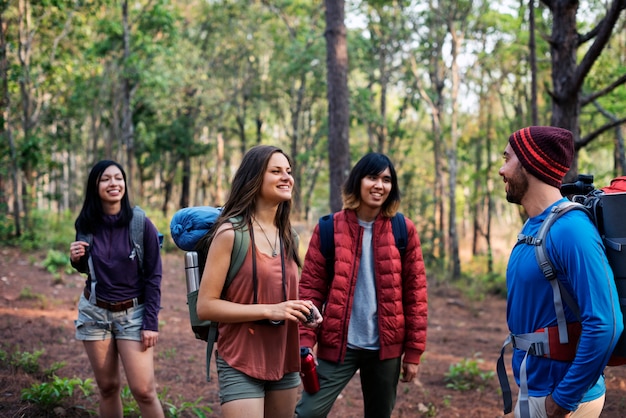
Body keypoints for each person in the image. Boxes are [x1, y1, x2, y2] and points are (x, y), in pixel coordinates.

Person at [497, 126, 623, 418]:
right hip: (535, 388)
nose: (502, 170)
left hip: (561, 399)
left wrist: (563, 400)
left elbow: (607, 322)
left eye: (507, 159)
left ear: (530, 163)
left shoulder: (571, 230)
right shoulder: (536, 225)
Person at [295, 152, 428, 418]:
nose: (379, 185)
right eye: (372, 177)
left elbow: (416, 296)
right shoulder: (329, 229)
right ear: (358, 181)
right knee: (307, 413)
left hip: (385, 348)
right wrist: (305, 340)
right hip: (338, 343)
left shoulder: (403, 230)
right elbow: (310, 290)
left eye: (387, 180)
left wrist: (413, 353)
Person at [195, 145, 321, 418]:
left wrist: (303, 310)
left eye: (288, 171)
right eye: (276, 171)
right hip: (241, 358)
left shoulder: (290, 237)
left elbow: (280, 293)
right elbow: (205, 306)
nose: (287, 177)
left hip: (284, 359)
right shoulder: (230, 233)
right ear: (254, 179)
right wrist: (270, 309)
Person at [70, 160, 164, 417]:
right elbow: (90, 270)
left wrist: (150, 322)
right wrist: (75, 259)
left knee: (144, 390)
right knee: (108, 387)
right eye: (106, 179)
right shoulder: (86, 223)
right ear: (95, 186)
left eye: (118, 178)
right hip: (94, 313)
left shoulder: (141, 223)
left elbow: (154, 276)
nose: (114, 184)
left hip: (132, 314)